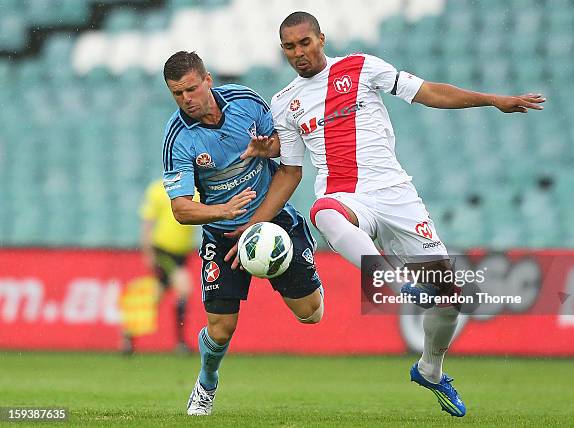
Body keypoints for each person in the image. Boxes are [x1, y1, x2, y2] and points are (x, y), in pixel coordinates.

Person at [224, 11, 545, 418]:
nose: (299, 53)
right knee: (323, 211)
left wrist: (492, 100)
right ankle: (386, 276)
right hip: (345, 195)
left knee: (448, 301)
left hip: (397, 196)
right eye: (289, 47)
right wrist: (256, 223)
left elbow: (428, 92)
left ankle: (430, 369)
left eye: (305, 43)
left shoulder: (362, 67)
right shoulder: (285, 103)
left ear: (322, 38)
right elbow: (290, 171)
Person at [161, 51, 324, 416]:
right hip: (222, 235)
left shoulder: (246, 102)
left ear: (207, 81)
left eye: (190, 89)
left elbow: (289, 151)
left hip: (274, 219)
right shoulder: (178, 138)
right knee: (220, 330)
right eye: (176, 94)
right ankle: (206, 383)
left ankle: (305, 254)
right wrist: (222, 211)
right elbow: (181, 208)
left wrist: (271, 147)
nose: (185, 99)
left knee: (311, 314)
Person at [121, 178, 197, 355]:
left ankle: (128, 335)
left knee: (156, 296)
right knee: (184, 289)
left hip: (182, 253)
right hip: (163, 250)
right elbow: (147, 223)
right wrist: (148, 252)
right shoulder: (158, 189)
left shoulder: (195, 189)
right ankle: (181, 343)